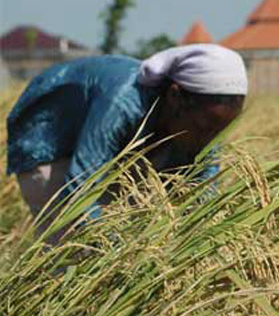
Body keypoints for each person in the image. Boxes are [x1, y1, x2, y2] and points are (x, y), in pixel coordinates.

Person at [5, 44, 247, 240]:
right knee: (71, 245)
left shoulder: (202, 122)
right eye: (203, 128)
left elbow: (204, 189)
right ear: (174, 96)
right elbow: (81, 184)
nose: (209, 139)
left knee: (136, 228)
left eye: (218, 131)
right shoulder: (121, 103)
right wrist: (118, 253)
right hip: (49, 142)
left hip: (114, 149)